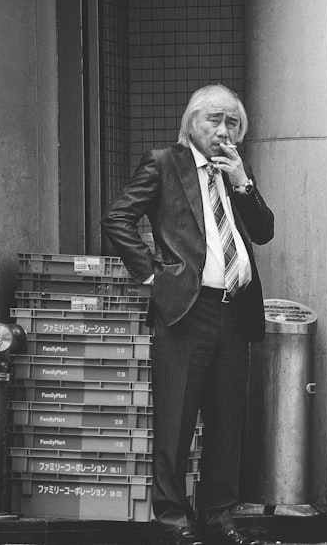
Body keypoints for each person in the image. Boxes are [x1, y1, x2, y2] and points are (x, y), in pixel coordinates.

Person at [102, 84, 273, 545]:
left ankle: (219, 519)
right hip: (186, 311)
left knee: (226, 421)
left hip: (234, 312)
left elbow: (264, 230)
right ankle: (174, 522)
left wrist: (242, 182)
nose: (223, 131)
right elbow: (117, 218)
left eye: (232, 123)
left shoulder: (238, 171)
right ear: (191, 122)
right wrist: (153, 277)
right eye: (213, 120)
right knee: (175, 423)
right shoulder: (163, 163)